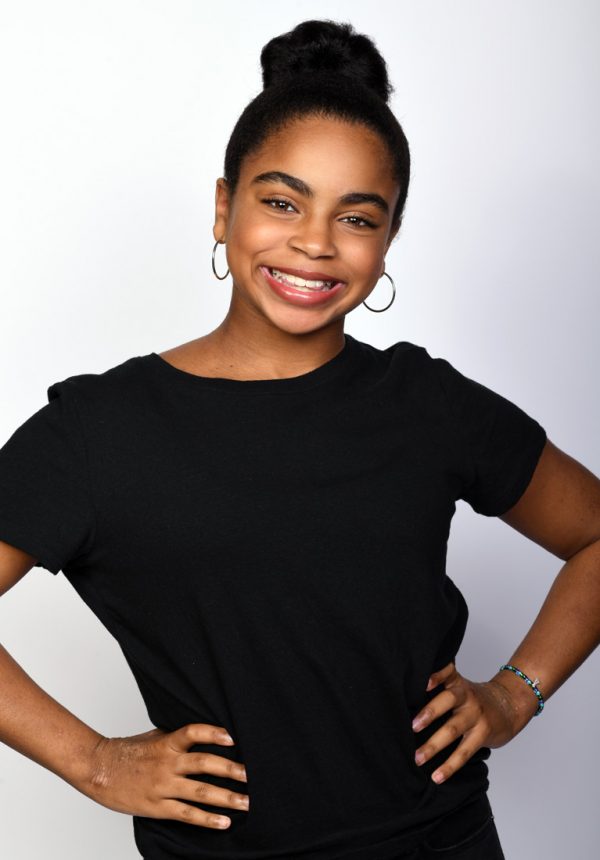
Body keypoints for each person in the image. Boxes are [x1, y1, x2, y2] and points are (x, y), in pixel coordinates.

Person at [0, 17, 598, 860]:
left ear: (388, 240)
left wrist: (512, 695)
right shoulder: (97, 432)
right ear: (224, 207)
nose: (315, 242)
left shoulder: (426, 403)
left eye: (357, 217)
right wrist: (93, 762)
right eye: (281, 202)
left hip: (442, 843)